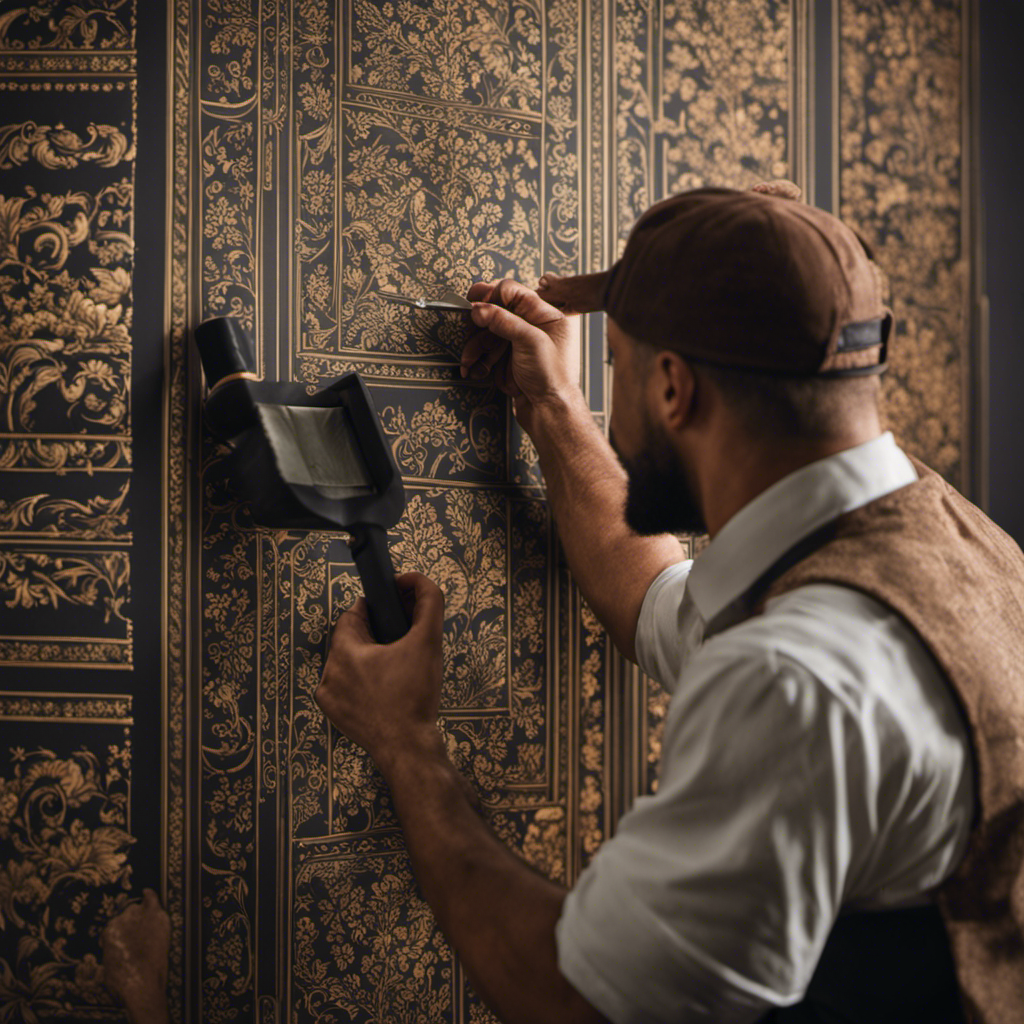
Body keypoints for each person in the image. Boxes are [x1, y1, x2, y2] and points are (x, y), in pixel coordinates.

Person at [319, 181, 1024, 1024]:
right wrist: (554, 408)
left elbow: (578, 1002)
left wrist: (406, 742)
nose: (611, 394)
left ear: (673, 391)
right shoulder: (959, 553)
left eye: (614, 366)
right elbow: (660, 601)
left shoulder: (798, 679)